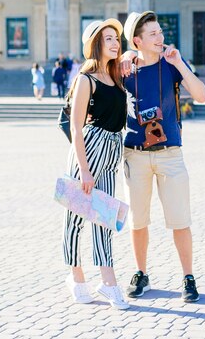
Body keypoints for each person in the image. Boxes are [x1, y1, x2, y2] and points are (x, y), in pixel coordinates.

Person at [120, 11, 205, 302]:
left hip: (170, 153)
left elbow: (202, 95)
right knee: (138, 221)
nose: (160, 38)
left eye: (160, 32)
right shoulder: (124, 71)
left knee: (180, 219)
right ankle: (141, 272)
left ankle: (188, 277)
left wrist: (179, 63)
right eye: (153, 34)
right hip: (136, 155)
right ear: (137, 41)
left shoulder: (172, 66)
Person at [61, 18, 129, 309]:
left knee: (104, 217)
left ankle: (108, 282)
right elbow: (76, 127)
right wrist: (85, 169)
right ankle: (76, 277)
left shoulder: (115, 78)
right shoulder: (85, 80)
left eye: (116, 38)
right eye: (109, 39)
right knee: (76, 217)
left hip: (112, 149)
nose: (115, 43)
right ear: (96, 45)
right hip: (89, 149)